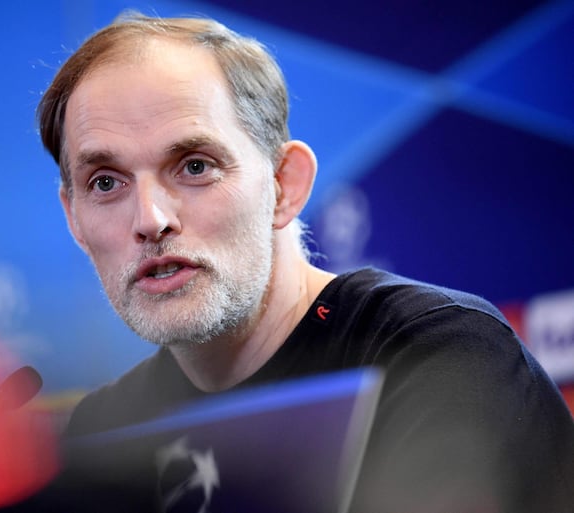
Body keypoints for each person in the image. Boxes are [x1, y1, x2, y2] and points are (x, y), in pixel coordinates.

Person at [34, 11, 574, 513]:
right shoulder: (100, 432)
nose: (149, 219)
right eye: (105, 182)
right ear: (74, 219)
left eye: (195, 166)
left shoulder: (438, 358)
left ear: (284, 186)